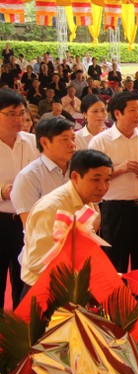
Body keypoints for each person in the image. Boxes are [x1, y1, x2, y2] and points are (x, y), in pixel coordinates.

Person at [88, 91, 138, 273]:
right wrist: (120, 169)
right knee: (115, 264)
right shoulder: (100, 142)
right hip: (116, 210)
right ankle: (116, 294)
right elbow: (92, 178)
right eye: (132, 110)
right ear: (117, 113)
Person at [19, 149, 112, 293]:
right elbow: (37, 263)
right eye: (96, 179)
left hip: (70, 286)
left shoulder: (88, 201)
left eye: (107, 180)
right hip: (43, 290)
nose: (103, 187)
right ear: (75, 177)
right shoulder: (52, 208)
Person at [0, 89, 38, 309]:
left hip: (27, 221)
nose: (19, 119)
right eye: (11, 114)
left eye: (22, 113)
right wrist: (1, 192)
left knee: (24, 280)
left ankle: (20, 326)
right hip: (1, 218)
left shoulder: (33, 142)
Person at [11, 116, 75, 224]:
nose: (72, 144)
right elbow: (31, 225)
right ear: (44, 142)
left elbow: (93, 210)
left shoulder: (79, 170)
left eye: (73, 138)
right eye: (65, 139)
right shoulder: (28, 177)